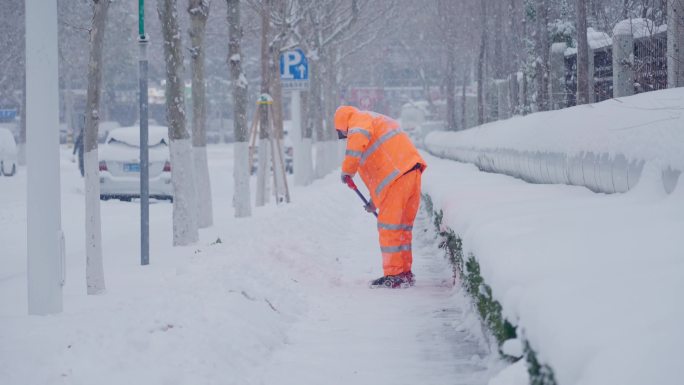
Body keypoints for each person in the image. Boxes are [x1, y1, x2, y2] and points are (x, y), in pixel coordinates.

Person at [334, 105, 427, 289]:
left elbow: (357, 143)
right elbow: (379, 173)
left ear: (343, 123)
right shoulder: (375, 119)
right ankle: (405, 273)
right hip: (410, 173)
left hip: (397, 178)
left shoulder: (358, 121)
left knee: (389, 228)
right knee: (402, 229)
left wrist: (347, 171)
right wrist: (373, 202)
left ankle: (394, 275)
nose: (346, 137)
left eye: (343, 133)